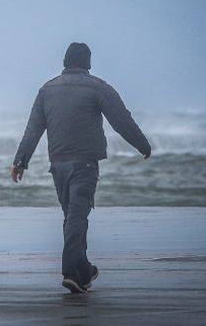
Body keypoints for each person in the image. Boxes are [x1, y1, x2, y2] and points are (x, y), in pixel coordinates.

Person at [11, 42, 151, 293]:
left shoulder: (47, 89)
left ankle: (82, 271)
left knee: (73, 217)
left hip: (58, 164)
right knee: (77, 217)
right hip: (85, 163)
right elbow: (121, 120)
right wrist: (142, 145)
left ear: (65, 62)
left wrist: (20, 161)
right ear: (88, 62)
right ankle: (70, 271)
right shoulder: (98, 87)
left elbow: (33, 129)